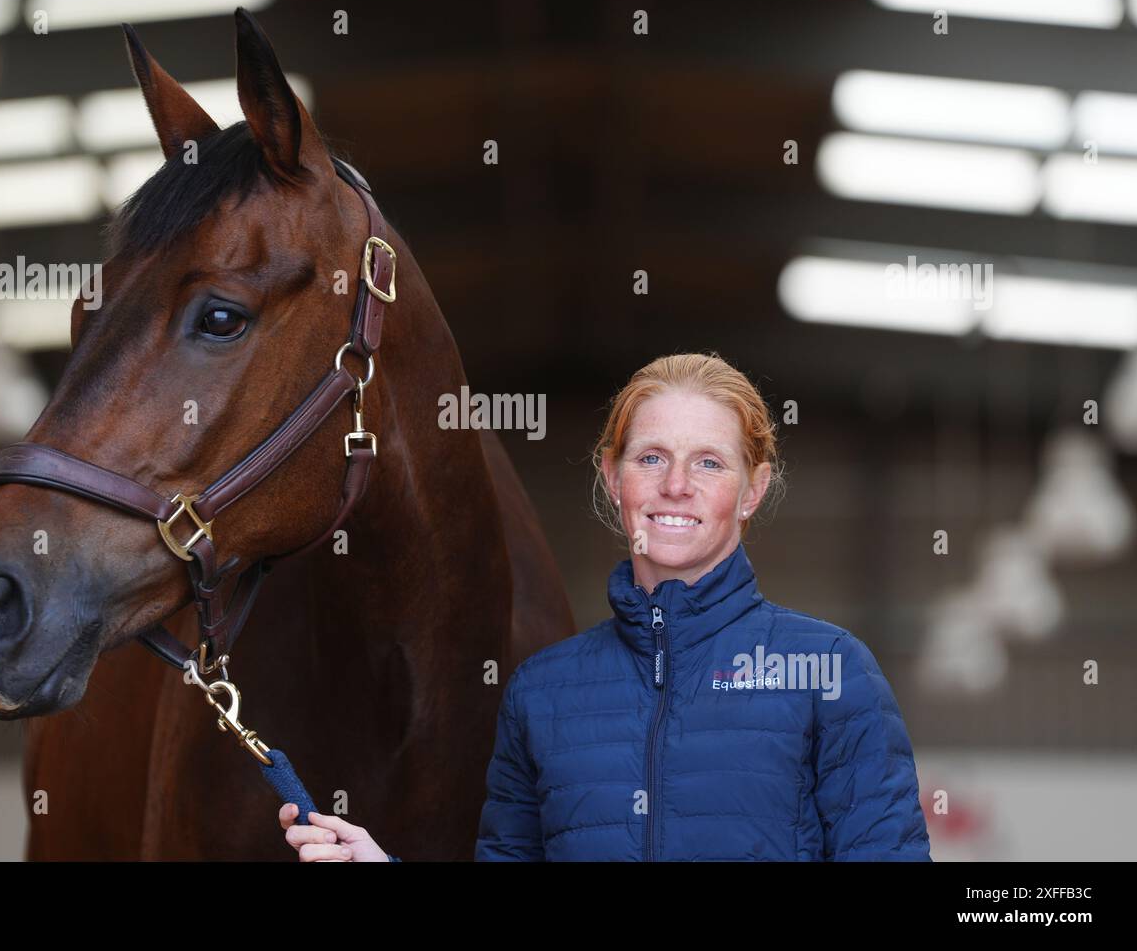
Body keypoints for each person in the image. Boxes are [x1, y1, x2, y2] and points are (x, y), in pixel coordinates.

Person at [279, 351, 932, 861]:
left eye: (709, 463)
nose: (676, 486)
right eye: (652, 457)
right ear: (612, 476)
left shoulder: (831, 672)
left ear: (753, 489)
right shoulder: (542, 692)